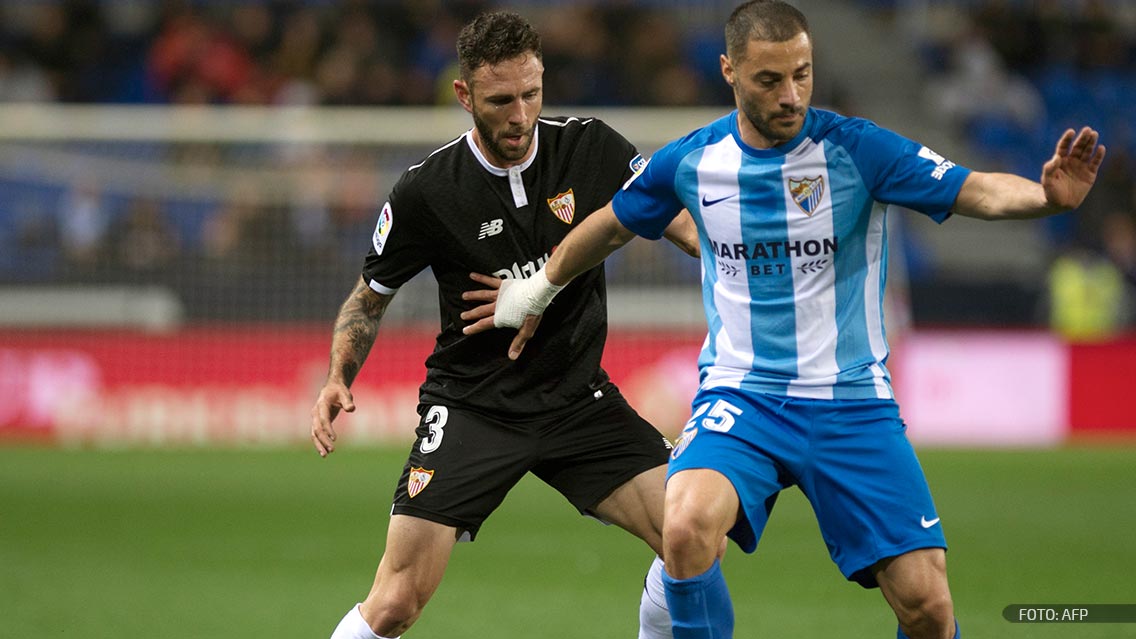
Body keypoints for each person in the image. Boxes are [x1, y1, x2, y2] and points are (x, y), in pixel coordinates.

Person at [464, 2, 1106, 638]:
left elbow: (977, 190)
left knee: (927, 608)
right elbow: (607, 225)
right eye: (770, 80)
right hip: (744, 395)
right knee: (684, 526)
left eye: (802, 74)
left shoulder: (859, 151)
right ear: (730, 72)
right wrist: (538, 288)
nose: (791, 94)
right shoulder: (693, 161)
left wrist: (1046, 196)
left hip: (850, 400)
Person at [309, 11, 700, 639]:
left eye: (531, 93)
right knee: (395, 602)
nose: (520, 115)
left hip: (578, 401)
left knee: (691, 537)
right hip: (473, 407)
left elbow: (679, 225)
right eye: (500, 100)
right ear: (464, 95)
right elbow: (369, 298)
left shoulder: (590, 148)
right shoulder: (427, 191)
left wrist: (737, 258)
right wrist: (337, 376)